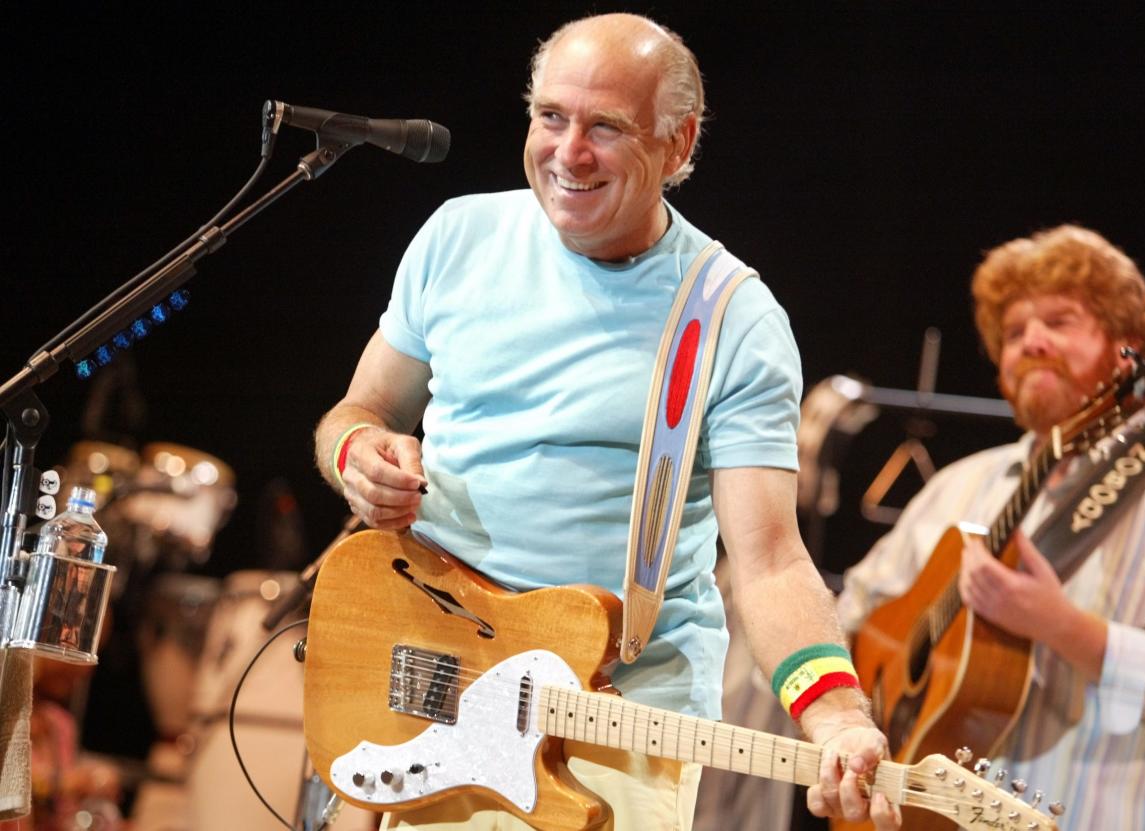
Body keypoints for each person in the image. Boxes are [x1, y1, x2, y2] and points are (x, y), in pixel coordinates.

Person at [313, 12, 899, 831]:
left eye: (607, 127)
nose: (568, 152)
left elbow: (768, 561)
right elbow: (359, 410)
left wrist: (835, 712)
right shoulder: (457, 236)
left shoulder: (732, 316)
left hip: (608, 719)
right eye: (551, 116)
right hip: (420, 679)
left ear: (679, 145)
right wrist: (355, 455)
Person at [837, 224, 1145, 830]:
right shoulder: (961, 484)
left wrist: (1061, 626)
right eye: (1015, 332)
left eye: (1059, 321)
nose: (1031, 342)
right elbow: (853, 614)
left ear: (1127, 348)